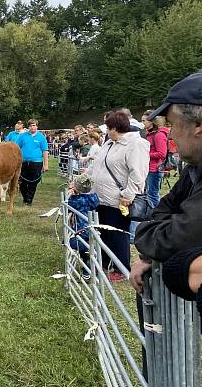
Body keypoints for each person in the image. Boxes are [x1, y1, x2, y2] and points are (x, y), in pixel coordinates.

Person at [120, 71, 202, 387]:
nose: (170, 137)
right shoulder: (194, 170)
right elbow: (159, 214)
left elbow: (173, 236)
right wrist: (153, 248)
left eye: (172, 126)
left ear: (198, 125)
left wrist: (155, 244)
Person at [86, 110, 149, 282]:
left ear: (116, 127)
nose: (106, 131)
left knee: (118, 234)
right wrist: (83, 181)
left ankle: (122, 268)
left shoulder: (136, 144)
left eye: (108, 127)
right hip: (101, 198)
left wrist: (128, 195)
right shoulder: (109, 143)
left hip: (118, 200)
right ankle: (105, 263)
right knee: (103, 233)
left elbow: (138, 173)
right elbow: (97, 165)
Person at [67, 172, 100, 279]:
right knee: (89, 249)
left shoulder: (78, 200)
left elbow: (69, 207)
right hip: (92, 228)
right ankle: (89, 268)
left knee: (82, 249)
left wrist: (72, 195)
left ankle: (87, 270)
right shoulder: (93, 197)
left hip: (81, 229)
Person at [15, 119, 49, 206]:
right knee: (22, 181)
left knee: (33, 182)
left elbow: (45, 151)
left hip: (36, 162)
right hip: (23, 162)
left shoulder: (41, 137)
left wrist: (46, 165)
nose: (32, 127)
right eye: (30, 125)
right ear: (28, 127)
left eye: (34, 125)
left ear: (37, 126)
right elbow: (16, 149)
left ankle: (29, 200)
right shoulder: (22, 136)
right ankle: (25, 197)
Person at [141, 110, 169, 208]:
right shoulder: (150, 134)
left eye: (144, 120)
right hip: (149, 168)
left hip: (154, 169)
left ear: (152, 121)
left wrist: (145, 154)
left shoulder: (159, 135)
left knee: (152, 195)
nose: (142, 123)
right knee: (149, 194)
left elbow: (162, 154)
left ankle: (157, 216)